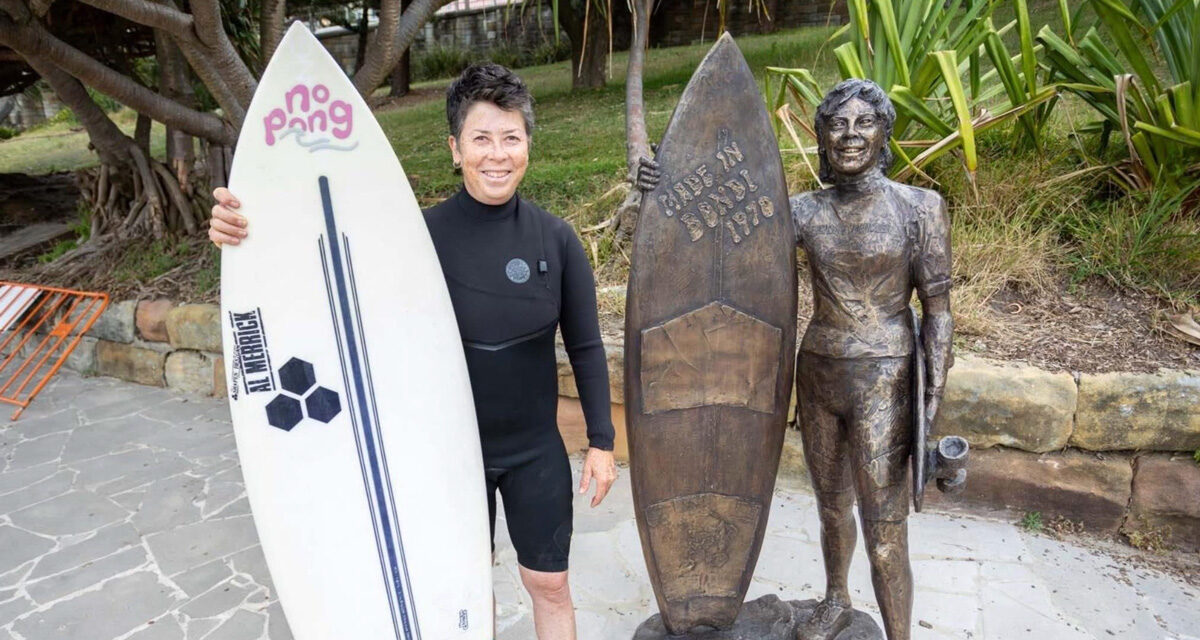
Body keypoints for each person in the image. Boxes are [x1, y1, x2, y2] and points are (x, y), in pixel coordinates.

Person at [210, 62, 618, 640]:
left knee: (549, 585)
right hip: (442, 456)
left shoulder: (556, 240)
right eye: (481, 138)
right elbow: (326, 276)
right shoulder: (416, 239)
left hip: (534, 452)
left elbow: (586, 346)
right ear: (455, 149)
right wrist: (244, 233)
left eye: (510, 137)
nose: (497, 154)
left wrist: (601, 440)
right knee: (462, 592)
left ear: (528, 144)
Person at [637, 78, 953, 640]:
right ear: (822, 137)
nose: (850, 135)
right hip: (819, 372)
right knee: (831, 505)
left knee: (884, 526)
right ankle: (836, 598)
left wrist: (932, 401)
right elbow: (719, 232)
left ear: (884, 134)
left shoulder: (919, 208)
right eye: (837, 124)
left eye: (864, 123)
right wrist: (661, 185)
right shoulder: (803, 212)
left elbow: (939, 310)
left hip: (886, 374)